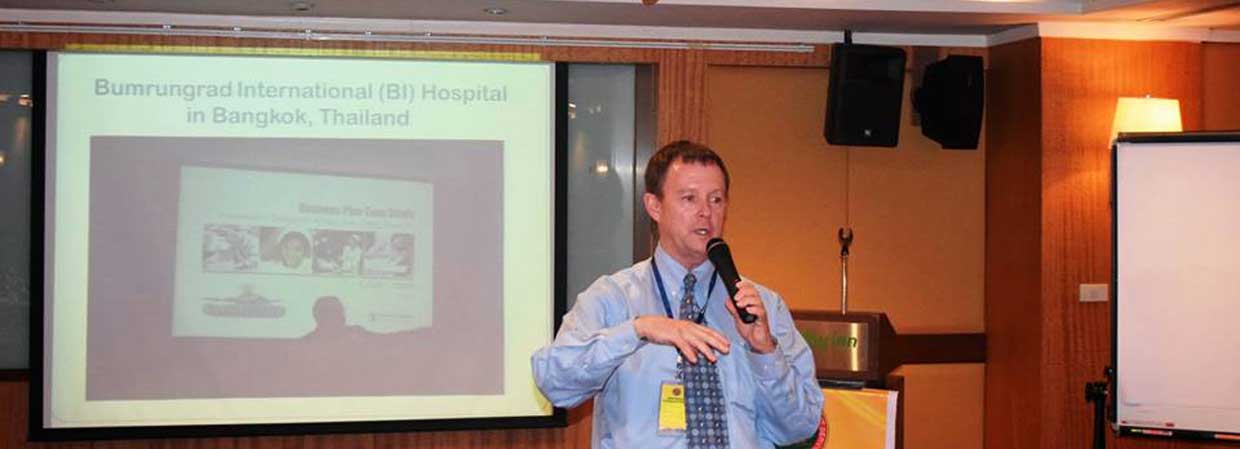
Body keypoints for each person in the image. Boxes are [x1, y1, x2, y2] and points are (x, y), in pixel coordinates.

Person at [531, 141, 823, 448]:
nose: (705, 213)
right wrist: (637, 330)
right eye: (689, 198)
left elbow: (800, 427)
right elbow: (555, 383)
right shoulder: (613, 298)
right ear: (654, 206)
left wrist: (764, 351)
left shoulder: (761, 306)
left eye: (716, 200)